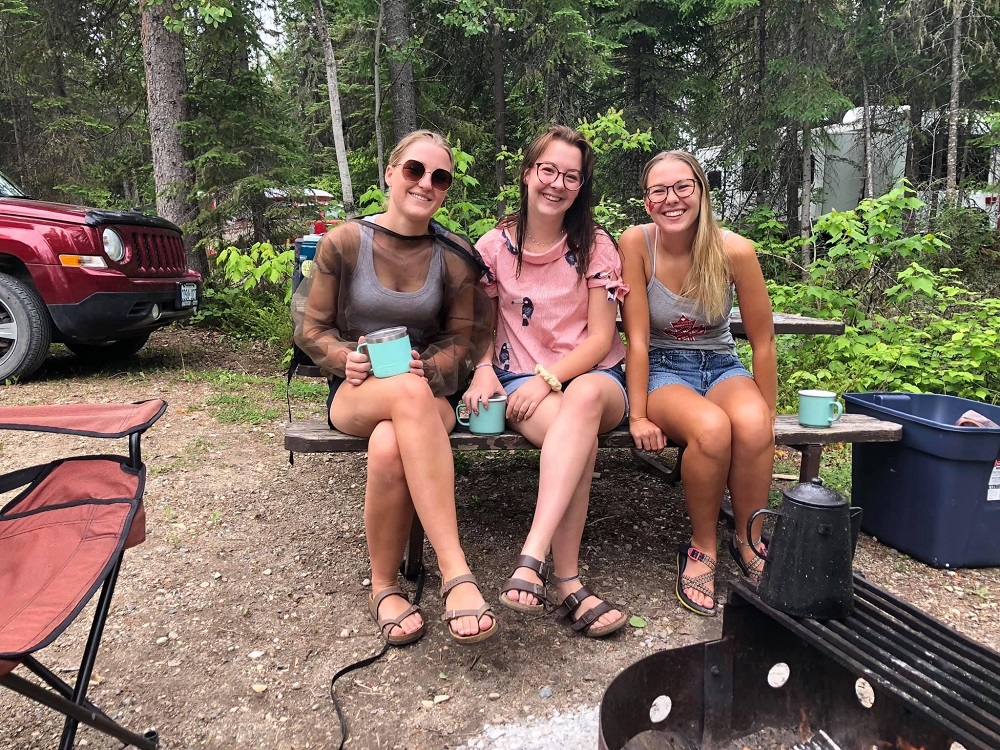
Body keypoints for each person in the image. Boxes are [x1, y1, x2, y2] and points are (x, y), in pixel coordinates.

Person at [293, 130, 497, 645]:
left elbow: (463, 339)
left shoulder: (453, 254)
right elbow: (309, 328)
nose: (425, 183)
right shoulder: (344, 242)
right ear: (390, 173)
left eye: (439, 177)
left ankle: (384, 586)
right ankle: (456, 572)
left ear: (447, 188)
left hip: (431, 395)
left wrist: (426, 367)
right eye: (414, 170)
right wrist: (346, 358)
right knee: (403, 397)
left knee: (390, 442)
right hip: (357, 394)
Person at [462, 125, 629, 638]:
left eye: (571, 176)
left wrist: (549, 377)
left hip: (596, 378)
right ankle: (568, 582)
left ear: (582, 186)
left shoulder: (595, 246)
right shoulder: (492, 246)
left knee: (580, 403)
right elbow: (480, 326)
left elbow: (601, 339)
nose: (557, 184)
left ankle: (531, 555)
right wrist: (486, 368)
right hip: (518, 379)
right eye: (548, 170)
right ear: (528, 173)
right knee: (577, 444)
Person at [619, 150, 776, 617]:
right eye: (659, 191)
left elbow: (763, 341)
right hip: (664, 368)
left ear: (702, 191)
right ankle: (703, 545)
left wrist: (767, 413)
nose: (672, 199)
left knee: (749, 425)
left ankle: (749, 540)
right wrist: (639, 413)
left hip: (721, 364)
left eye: (683, 187)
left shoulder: (734, 250)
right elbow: (639, 339)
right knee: (709, 429)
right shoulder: (636, 244)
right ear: (647, 201)